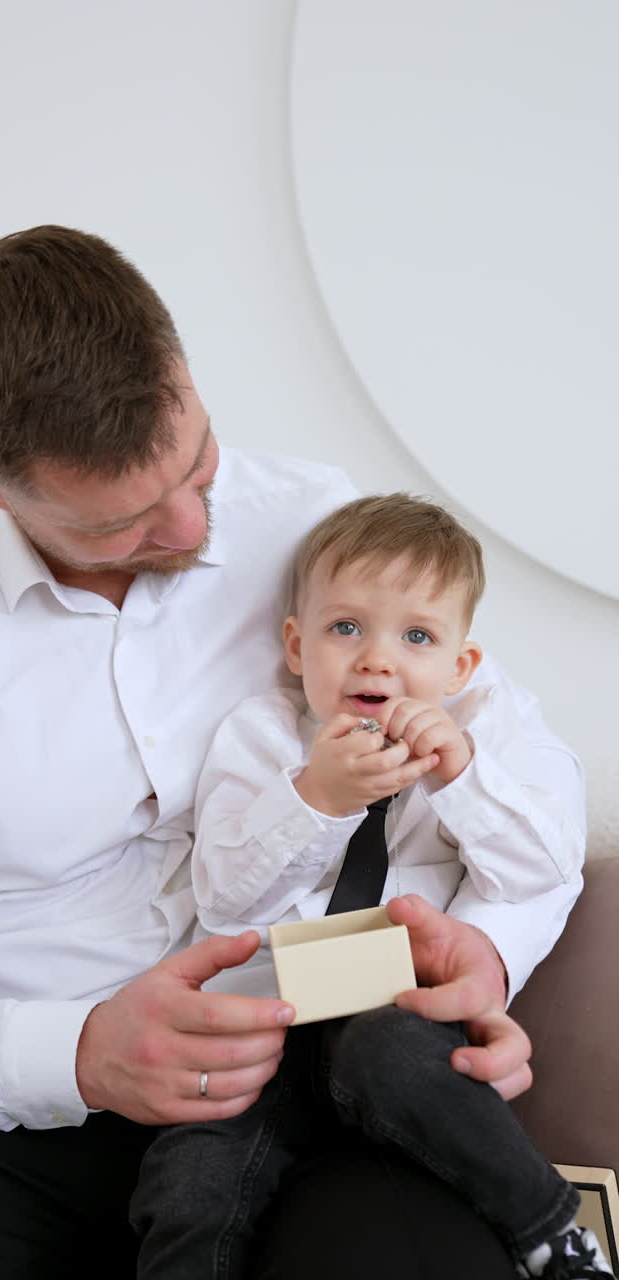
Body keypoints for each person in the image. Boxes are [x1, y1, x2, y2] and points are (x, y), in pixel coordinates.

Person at [0, 225, 584, 1280]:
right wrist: (75, 1055)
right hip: (15, 1113)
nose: (190, 525)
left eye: (199, 462)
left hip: (327, 1075)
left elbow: (501, 738)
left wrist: (488, 949)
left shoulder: (312, 524)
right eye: (125, 521)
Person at [128, 493, 605, 1280]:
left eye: (416, 636)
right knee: (188, 1176)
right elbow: (222, 898)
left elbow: (542, 869)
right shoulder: (261, 735)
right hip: (265, 1026)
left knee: (402, 1056)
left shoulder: (486, 737)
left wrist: (463, 779)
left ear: (460, 667)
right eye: (345, 627)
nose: (377, 659)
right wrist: (313, 798)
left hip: (392, 1017)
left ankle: (556, 1238)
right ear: (295, 644)